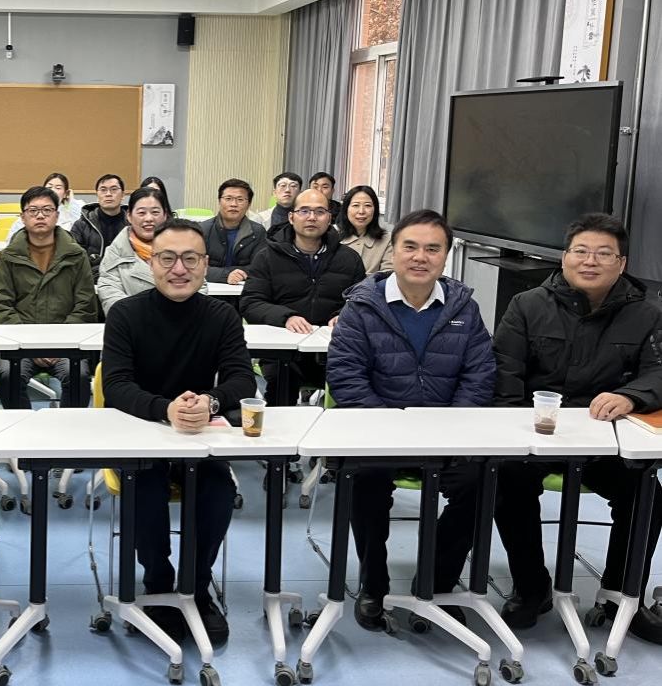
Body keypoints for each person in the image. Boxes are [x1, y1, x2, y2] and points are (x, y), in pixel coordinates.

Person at [492, 212, 662, 641]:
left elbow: (659, 371)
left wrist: (632, 396)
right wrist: (515, 429)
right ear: (565, 257)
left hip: (604, 441)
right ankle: (532, 588)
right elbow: (505, 372)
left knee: (647, 494)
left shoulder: (646, 313)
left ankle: (621, 596)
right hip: (535, 434)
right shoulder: (527, 304)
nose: (590, 261)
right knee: (506, 481)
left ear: (621, 263)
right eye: (581, 251)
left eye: (604, 254)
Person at [326, 210, 495, 630]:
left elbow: (480, 374)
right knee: (364, 480)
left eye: (433, 249)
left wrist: (452, 428)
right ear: (394, 251)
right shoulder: (362, 306)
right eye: (411, 247)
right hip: (380, 434)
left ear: (446, 256)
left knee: (482, 482)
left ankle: (437, 581)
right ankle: (373, 583)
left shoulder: (464, 307)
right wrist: (390, 428)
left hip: (447, 436)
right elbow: (346, 376)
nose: (421, 257)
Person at [103, 217, 256, 645]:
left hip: (199, 435)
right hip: (142, 433)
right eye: (167, 258)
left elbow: (243, 379)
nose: (179, 269)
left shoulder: (222, 316)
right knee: (144, 491)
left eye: (190, 259)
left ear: (205, 264)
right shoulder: (126, 314)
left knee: (218, 492)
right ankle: (158, 584)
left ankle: (196, 586)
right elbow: (116, 385)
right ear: (151, 262)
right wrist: (165, 409)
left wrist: (209, 402)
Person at [238, 188, 365, 403]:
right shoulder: (267, 257)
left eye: (319, 212)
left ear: (329, 218)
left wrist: (344, 315)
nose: (312, 217)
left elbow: (360, 301)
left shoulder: (349, 259)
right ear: (291, 217)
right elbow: (251, 303)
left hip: (335, 349)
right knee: (281, 386)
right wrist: (286, 317)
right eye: (304, 211)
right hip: (283, 350)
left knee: (354, 387)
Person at [0, 185, 97, 406]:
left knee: (78, 377)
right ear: (23, 217)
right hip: (20, 344)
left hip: (67, 344)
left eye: (47, 210)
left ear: (57, 215)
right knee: (9, 376)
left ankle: (67, 426)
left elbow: (85, 305)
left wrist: (59, 345)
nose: (40, 216)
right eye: (33, 210)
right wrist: (30, 346)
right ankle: (21, 427)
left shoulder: (76, 256)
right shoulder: (8, 257)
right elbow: (2, 305)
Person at [95, 186, 169, 314]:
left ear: (165, 215)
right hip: (133, 321)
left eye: (155, 212)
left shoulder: (181, 247)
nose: (149, 218)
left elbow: (198, 284)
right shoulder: (115, 252)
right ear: (129, 216)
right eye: (141, 213)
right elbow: (109, 292)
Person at [203, 178, 267, 285]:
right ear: (219, 201)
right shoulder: (203, 229)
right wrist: (226, 275)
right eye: (228, 198)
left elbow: (261, 267)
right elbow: (195, 266)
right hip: (210, 289)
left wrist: (238, 275)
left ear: (249, 204)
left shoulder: (258, 232)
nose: (234, 204)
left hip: (243, 289)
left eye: (240, 199)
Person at [71, 173, 127, 280]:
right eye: (103, 190)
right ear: (97, 194)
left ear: (123, 195)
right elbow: (75, 258)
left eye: (114, 189)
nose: (108, 194)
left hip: (125, 280)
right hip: (91, 280)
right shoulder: (81, 225)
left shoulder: (132, 224)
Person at [337, 185, 393, 275]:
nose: (361, 211)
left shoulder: (387, 239)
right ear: (346, 209)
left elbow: (387, 274)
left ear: (375, 210)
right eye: (356, 205)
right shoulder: (331, 234)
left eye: (367, 205)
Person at [6, 172, 80, 238]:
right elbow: (12, 241)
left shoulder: (70, 214)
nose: (53, 190)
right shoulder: (28, 212)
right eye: (49, 187)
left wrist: (72, 201)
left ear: (65, 193)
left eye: (58, 188)